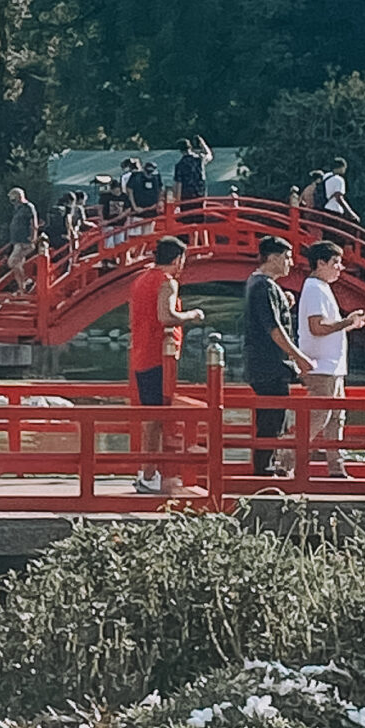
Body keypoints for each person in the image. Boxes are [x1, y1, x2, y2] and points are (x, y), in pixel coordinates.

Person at [131, 233, 204, 497]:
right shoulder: (167, 282)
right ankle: (149, 474)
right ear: (178, 259)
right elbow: (166, 316)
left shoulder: (141, 279)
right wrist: (192, 315)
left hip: (141, 352)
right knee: (156, 418)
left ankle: (146, 471)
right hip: (158, 355)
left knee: (150, 416)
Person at [297, 241, 365, 480]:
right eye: (336, 262)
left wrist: (348, 324)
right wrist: (347, 322)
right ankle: (284, 460)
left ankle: (336, 468)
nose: (340, 267)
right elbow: (316, 327)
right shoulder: (315, 287)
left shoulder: (322, 287)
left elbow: (326, 328)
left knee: (336, 418)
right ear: (320, 263)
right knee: (319, 416)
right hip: (321, 366)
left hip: (333, 365)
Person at [243, 234, 304, 476]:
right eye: (287, 258)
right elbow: (274, 329)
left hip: (265, 364)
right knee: (272, 418)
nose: (290, 262)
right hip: (269, 363)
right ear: (274, 258)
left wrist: (283, 301)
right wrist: (299, 357)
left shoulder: (261, 284)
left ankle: (268, 464)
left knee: (274, 417)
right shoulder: (263, 286)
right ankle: (264, 468)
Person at [174, 135, 211, 214]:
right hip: (200, 194)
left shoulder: (179, 165)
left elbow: (179, 184)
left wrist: (177, 202)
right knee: (199, 217)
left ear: (180, 150)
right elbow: (209, 155)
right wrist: (202, 143)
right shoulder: (199, 159)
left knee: (187, 220)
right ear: (190, 147)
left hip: (186, 196)